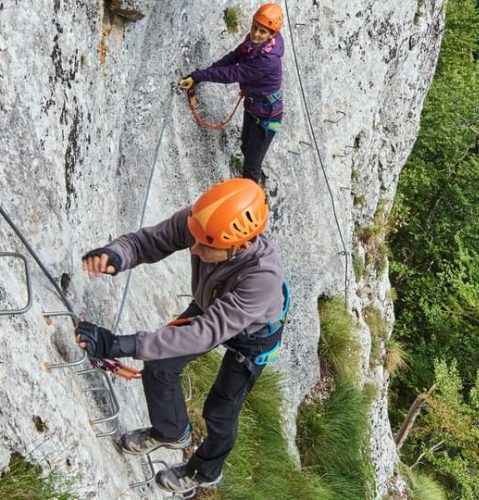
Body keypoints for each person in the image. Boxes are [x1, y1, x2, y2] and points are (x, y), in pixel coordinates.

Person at [74, 178, 287, 494]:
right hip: (211, 305)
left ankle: (204, 471)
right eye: (196, 240)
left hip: (253, 337)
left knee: (220, 410)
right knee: (159, 365)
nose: (195, 248)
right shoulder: (204, 223)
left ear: (240, 245)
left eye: (206, 246)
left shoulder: (262, 278)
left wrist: (119, 345)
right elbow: (149, 242)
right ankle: (170, 431)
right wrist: (115, 255)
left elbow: (203, 334)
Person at [179, 3, 284, 185]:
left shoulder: (268, 60)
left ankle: (249, 206)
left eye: (262, 31)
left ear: (272, 35)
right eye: (254, 27)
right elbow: (234, 57)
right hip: (253, 108)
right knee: (245, 148)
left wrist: (199, 76)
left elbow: (233, 74)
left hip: (268, 117)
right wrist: (204, 73)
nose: (256, 34)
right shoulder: (253, 44)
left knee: (251, 167)